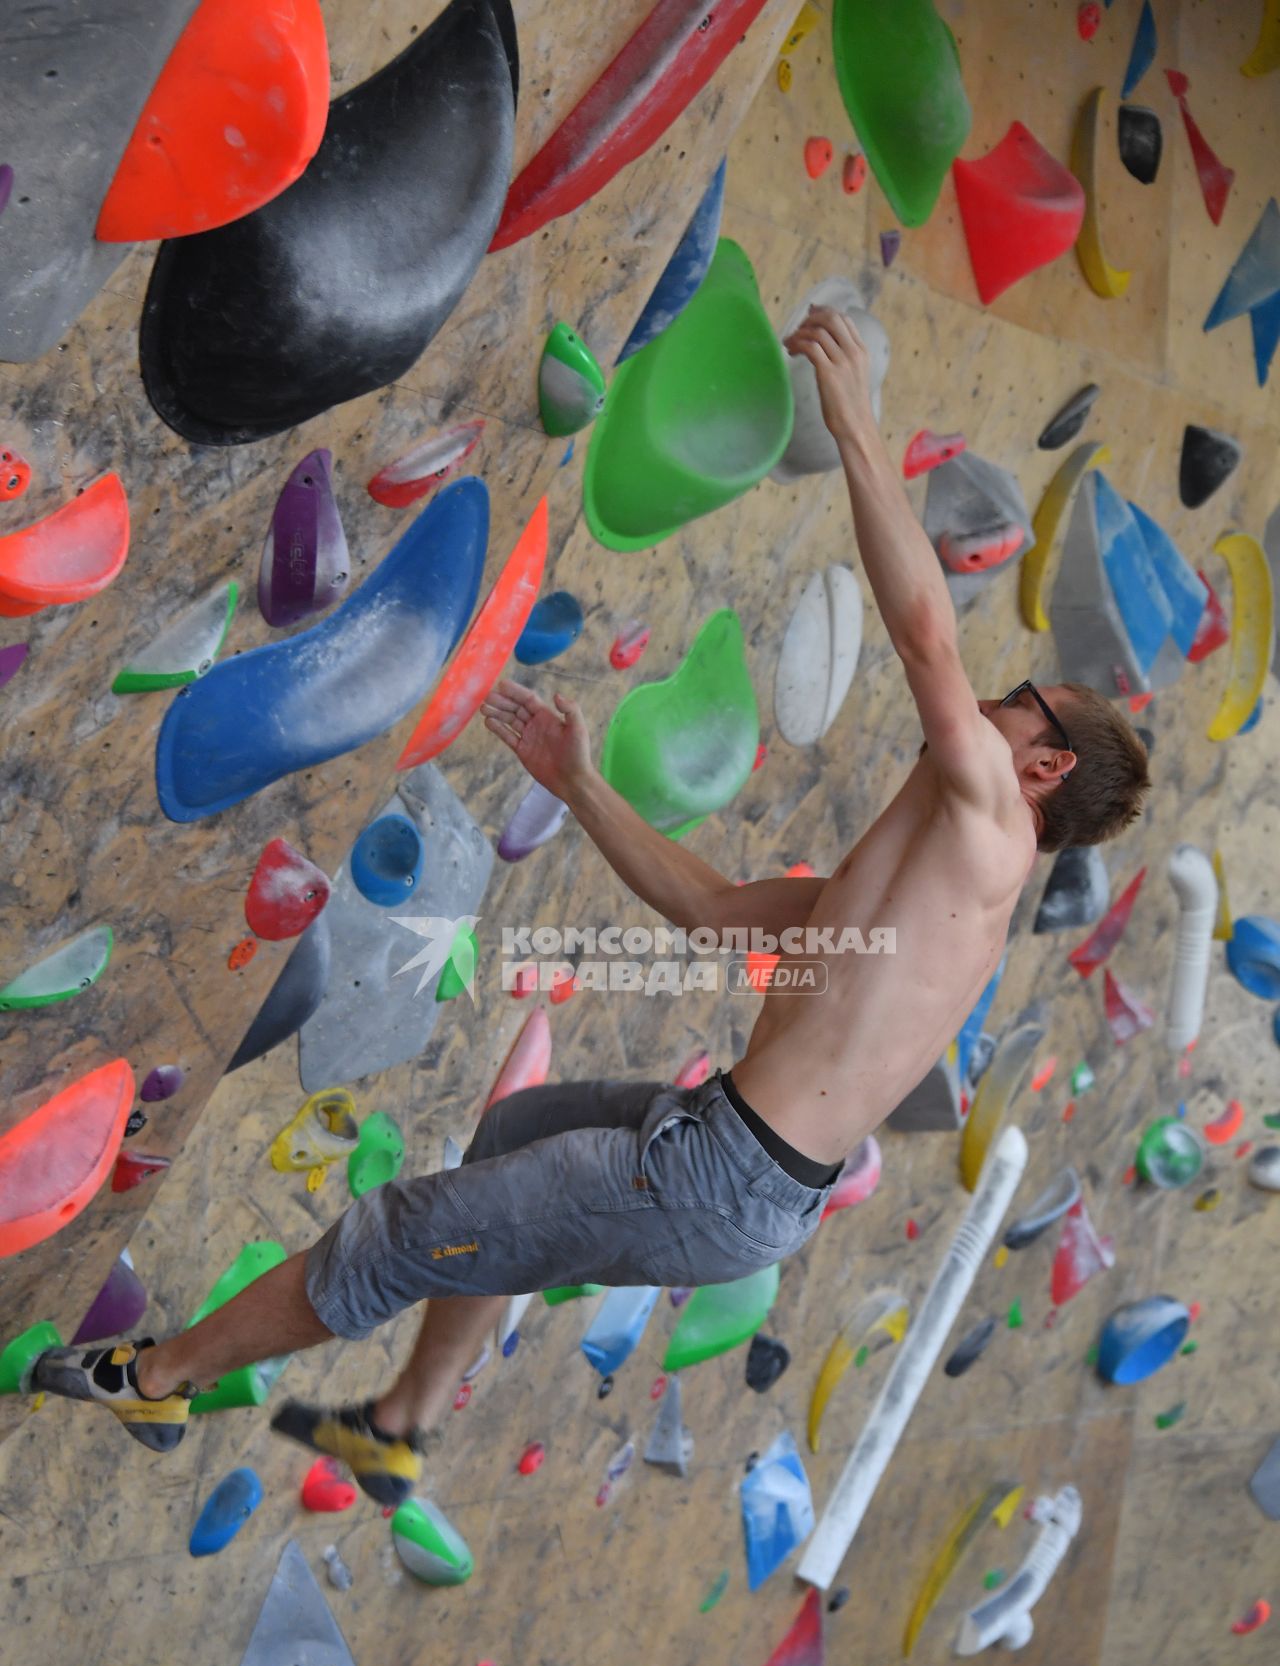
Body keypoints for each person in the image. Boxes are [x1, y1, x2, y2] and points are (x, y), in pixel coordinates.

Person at [31, 308, 1149, 1507]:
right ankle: (399, 1425)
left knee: (398, 1234)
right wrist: (579, 784)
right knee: (513, 1136)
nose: (993, 697)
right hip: (733, 1162)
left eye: (1022, 701)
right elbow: (716, 913)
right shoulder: (918, 882)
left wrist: (855, 424)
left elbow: (926, 637)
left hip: (719, 1178)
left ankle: (157, 1374)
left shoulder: (989, 839)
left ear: (1039, 772)